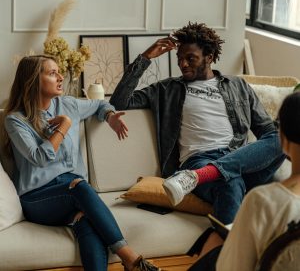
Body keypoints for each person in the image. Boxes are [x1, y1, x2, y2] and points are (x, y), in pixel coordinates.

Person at [110, 22, 285, 226]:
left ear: (209, 57)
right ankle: (226, 252)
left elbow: (268, 133)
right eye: (180, 59)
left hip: (238, 158)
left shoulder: (238, 86)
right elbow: (119, 102)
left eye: (190, 58)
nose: (183, 64)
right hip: (199, 160)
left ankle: (198, 177)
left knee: (285, 137)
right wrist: (145, 58)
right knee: (230, 183)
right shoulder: (167, 89)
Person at [2, 55, 160, 271]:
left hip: (74, 195)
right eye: (52, 73)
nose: (60, 77)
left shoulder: (68, 104)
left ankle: (130, 262)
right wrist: (64, 126)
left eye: (59, 72)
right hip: (38, 199)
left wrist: (110, 116)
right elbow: (40, 157)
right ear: (32, 80)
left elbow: (100, 104)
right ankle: (130, 258)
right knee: (80, 186)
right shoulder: (16, 120)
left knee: (86, 220)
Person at [188, 91, 300, 271]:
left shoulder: (261, 201)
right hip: (206, 163)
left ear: (283, 140)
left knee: (215, 243)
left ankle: (203, 174)